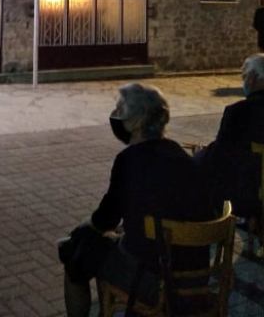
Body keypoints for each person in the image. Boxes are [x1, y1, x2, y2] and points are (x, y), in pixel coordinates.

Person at [59, 82, 215, 317]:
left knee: (75, 250)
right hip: (196, 277)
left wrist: (82, 230)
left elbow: (104, 221)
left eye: (120, 109)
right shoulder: (181, 156)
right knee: (101, 243)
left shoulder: (128, 160)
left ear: (138, 121)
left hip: (156, 280)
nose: (115, 115)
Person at [198, 53, 264, 219]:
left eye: (244, 76)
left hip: (248, 190)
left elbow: (221, 152)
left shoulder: (239, 111)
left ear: (252, 78)